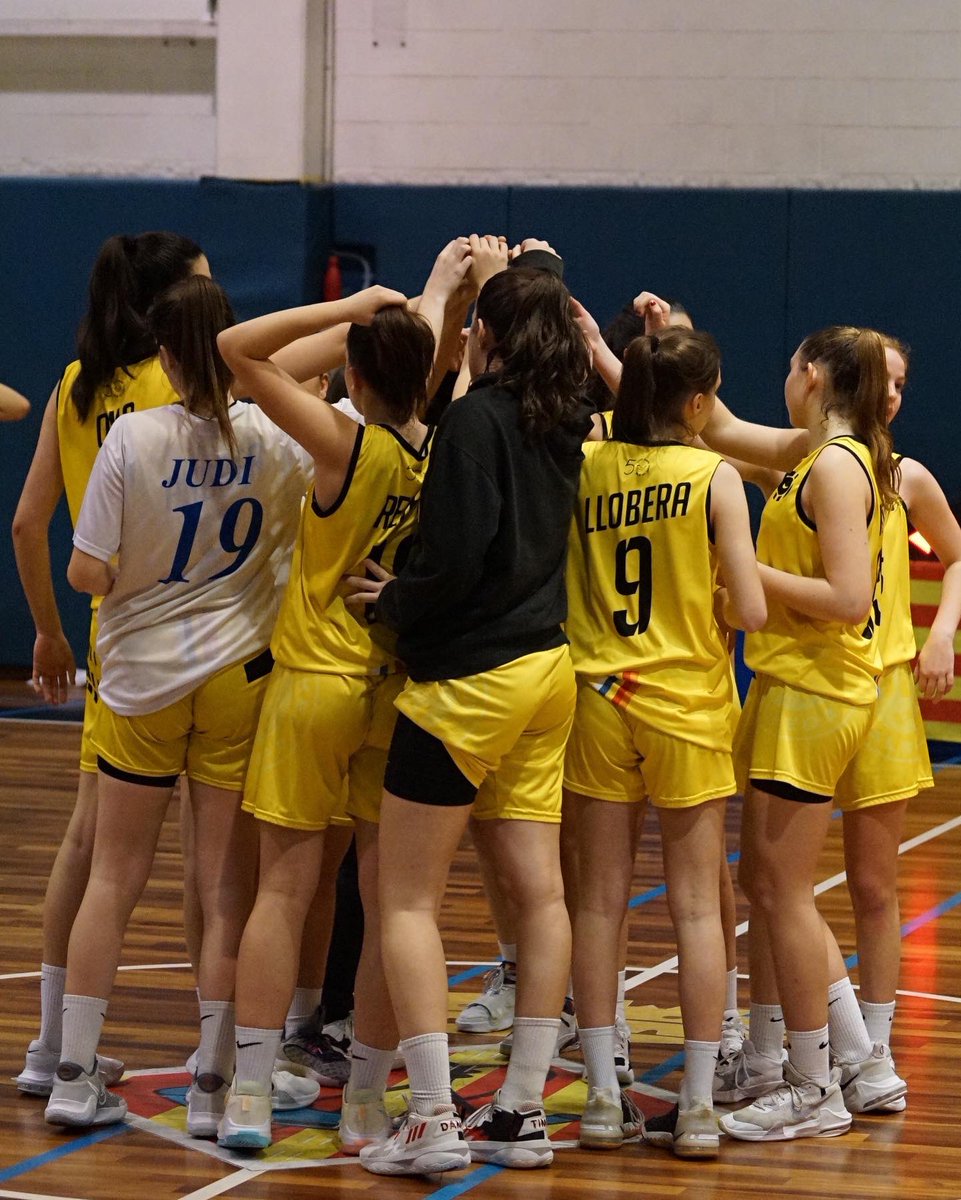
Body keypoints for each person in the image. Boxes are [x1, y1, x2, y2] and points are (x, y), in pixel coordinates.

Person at [43, 275, 312, 1131]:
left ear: (161, 355)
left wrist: (133, 578)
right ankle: (213, 1088)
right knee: (225, 887)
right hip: (239, 681)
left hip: (138, 682)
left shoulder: (133, 438)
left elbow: (86, 570)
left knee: (114, 878)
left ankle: (73, 1075)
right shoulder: (277, 436)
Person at [212, 251, 468, 1150]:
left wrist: (353, 305)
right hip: (394, 690)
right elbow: (435, 364)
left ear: (354, 377)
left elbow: (239, 352)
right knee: (388, 898)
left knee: (282, 890)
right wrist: (431, 313)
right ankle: (364, 1101)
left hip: (312, 684)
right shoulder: (441, 451)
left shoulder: (340, 442)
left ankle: (246, 1094)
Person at [348, 252, 594, 1177]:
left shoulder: (474, 423)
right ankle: (522, 1107)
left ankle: (433, 1117)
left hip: (469, 685)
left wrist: (395, 602)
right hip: (547, 671)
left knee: (405, 897)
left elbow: (449, 560)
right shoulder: (569, 418)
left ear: (482, 334)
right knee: (540, 894)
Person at [703, 335, 961, 1117]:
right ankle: (779, 1048)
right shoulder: (805, 458)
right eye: (884, 377)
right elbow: (712, 425)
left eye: (903, 383)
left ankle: (861, 1053)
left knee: (861, 887)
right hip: (825, 679)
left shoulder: (886, 471)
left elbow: (929, 564)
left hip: (856, 686)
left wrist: (941, 632)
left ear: (813, 376)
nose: (892, 392)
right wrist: (635, 356)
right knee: (778, 888)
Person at [12, 231, 209, 1099]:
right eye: (202, 288)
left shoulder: (74, 383)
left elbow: (27, 523)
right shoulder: (186, 383)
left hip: (110, 635)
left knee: (88, 846)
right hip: (197, 635)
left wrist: (50, 636)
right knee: (193, 855)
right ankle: (226, 1062)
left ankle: (51, 1047)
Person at [562, 326, 765, 1158]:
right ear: (694, 401)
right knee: (693, 907)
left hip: (600, 695)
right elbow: (750, 611)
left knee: (598, 905)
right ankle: (694, 1107)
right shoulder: (713, 475)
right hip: (685, 702)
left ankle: (604, 1099)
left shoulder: (585, 463)